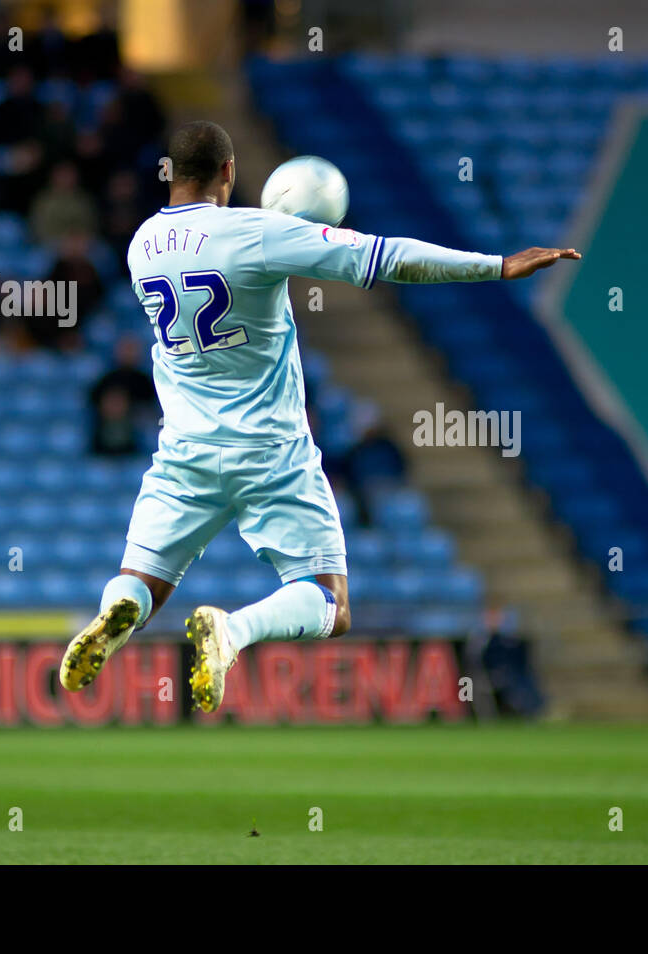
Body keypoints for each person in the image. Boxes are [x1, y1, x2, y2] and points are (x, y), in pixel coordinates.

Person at [56, 120, 580, 713]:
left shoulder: (141, 245)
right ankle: (232, 633)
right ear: (229, 172)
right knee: (330, 603)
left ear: (169, 174)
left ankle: (114, 612)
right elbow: (386, 257)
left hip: (184, 452)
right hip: (272, 451)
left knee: (143, 579)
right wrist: (496, 265)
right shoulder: (258, 233)